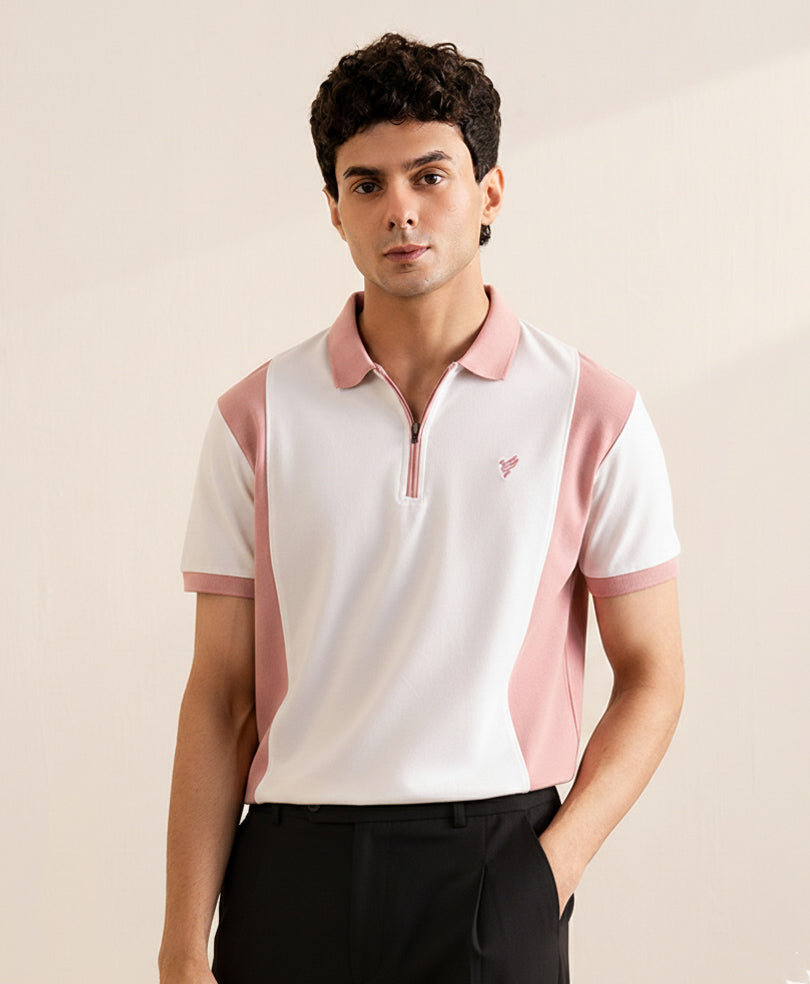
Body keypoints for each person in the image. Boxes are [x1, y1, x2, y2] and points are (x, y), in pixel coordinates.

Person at [158, 33, 684, 984]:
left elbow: (653, 674)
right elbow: (220, 697)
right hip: (290, 872)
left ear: (490, 192)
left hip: (493, 866)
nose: (399, 210)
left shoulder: (592, 412)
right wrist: (182, 945)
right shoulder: (255, 418)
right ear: (334, 209)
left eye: (429, 176)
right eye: (365, 184)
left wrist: (549, 872)